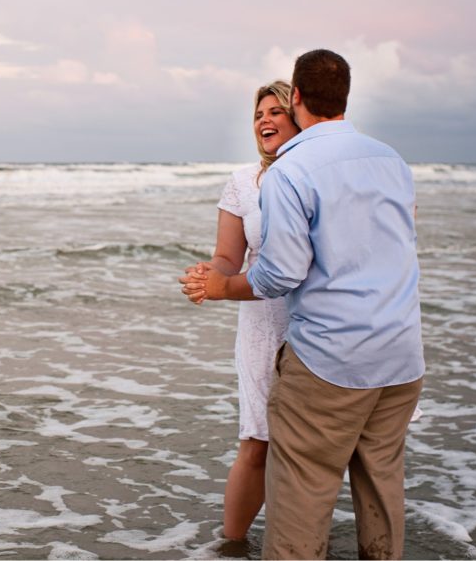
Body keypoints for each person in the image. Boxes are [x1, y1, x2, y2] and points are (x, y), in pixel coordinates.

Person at [187, 49, 424, 560]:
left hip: (330, 356)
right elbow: (400, 245)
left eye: (276, 108)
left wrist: (223, 287)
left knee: (300, 497)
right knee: (382, 487)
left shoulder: (292, 172)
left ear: (296, 100)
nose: (266, 120)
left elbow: (281, 273)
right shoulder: (391, 160)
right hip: (402, 355)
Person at [177, 80, 300, 543]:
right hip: (263, 325)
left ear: (298, 115)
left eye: (276, 111)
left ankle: (298, 542)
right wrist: (208, 275)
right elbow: (229, 258)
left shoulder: (316, 176)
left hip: (320, 324)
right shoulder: (243, 182)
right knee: (257, 441)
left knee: (315, 448)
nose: (264, 120)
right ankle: (231, 546)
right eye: (258, 114)